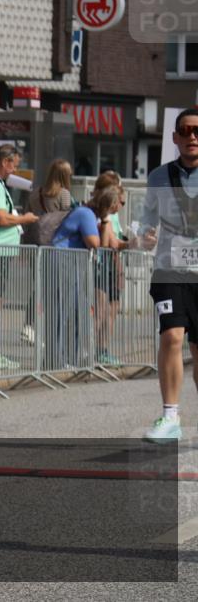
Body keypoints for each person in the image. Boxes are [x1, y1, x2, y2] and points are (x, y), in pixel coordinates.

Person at [140, 107, 198, 442]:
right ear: (175, 137)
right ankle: (170, 416)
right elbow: (147, 219)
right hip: (169, 270)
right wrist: (146, 234)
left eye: (197, 131)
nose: (192, 137)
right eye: (185, 130)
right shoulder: (158, 177)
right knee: (172, 337)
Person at [0, 145, 39, 370]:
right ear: (4, 162)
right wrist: (24, 219)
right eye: (14, 164)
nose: (15, 170)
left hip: (1, 251)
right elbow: (1, 218)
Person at [50, 187, 122, 370]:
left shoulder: (90, 215)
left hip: (72, 264)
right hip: (63, 262)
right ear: (110, 204)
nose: (120, 207)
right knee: (62, 311)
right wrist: (105, 222)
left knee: (75, 312)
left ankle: (71, 357)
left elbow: (106, 244)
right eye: (118, 203)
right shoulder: (86, 214)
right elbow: (95, 243)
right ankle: (55, 359)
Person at [22, 158, 75, 344]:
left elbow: (27, 219)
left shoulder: (36, 193)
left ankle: (28, 325)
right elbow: (69, 221)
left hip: (36, 245)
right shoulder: (64, 194)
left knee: (39, 286)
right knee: (55, 290)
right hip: (55, 246)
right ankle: (51, 332)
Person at [92, 172, 128, 366]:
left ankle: (103, 349)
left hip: (112, 265)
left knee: (112, 308)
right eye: (119, 201)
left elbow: (116, 241)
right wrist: (130, 244)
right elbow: (109, 244)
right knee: (101, 310)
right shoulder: (102, 213)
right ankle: (93, 350)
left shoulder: (112, 215)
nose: (120, 206)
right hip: (102, 265)